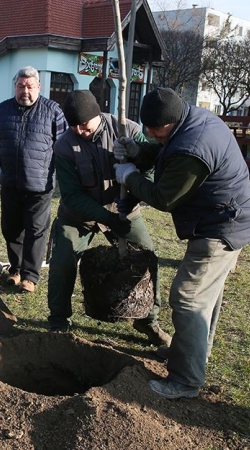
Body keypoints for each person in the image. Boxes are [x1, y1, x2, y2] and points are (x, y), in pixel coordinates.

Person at [113, 87, 250, 399]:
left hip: (220, 227)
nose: (151, 134)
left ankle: (185, 380)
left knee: (189, 298)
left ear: (173, 120)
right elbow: (166, 151)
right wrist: (139, 153)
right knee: (207, 295)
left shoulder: (193, 146)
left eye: (156, 129)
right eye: (147, 128)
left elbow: (164, 197)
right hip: (229, 217)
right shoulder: (191, 120)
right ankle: (190, 354)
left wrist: (129, 177)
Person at [47, 90, 171, 348]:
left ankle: (148, 320)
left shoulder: (126, 129)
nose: (79, 130)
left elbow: (149, 169)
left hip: (124, 208)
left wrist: (133, 199)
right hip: (78, 216)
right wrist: (106, 218)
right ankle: (59, 319)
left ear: (97, 115)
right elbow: (71, 195)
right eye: (73, 125)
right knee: (61, 262)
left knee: (147, 257)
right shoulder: (64, 146)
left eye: (84, 124)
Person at [0, 66, 67, 293]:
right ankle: (15, 270)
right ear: (15, 86)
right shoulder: (3, 110)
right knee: (11, 229)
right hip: (10, 183)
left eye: (29, 86)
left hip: (40, 186)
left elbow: (65, 148)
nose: (24, 91)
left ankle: (30, 276)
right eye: (20, 86)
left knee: (36, 231)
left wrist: (68, 179)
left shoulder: (53, 111)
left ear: (38, 87)